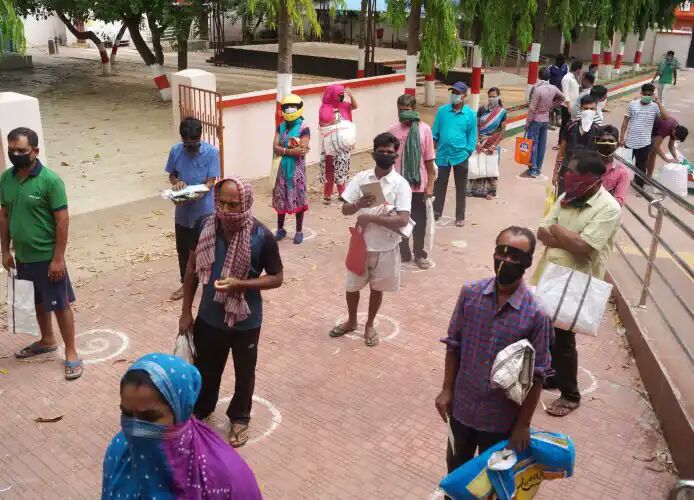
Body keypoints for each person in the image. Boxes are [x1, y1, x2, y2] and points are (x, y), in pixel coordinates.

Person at [435, 226, 553, 471]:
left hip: (501, 420)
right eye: (501, 252)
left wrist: (523, 425)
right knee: (456, 470)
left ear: (527, 262)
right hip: (462, 409)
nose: (505, 260)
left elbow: (538, 375)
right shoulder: (470, 294)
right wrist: (447, 390)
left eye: (515, 256)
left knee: (492, 479)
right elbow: (454, 345)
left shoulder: (537, 315)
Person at [179, 177, 283, 448]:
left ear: (245, 203)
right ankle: (202, 409)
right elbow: (191, 268)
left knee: (244, 373)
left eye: (233, 204)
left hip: (245, 321)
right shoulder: (205, 226)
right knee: (205, 370)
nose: (225, 210)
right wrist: (186, 312)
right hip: (209, 317)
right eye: (221, 202)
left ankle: (239, 417)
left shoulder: (261, 236)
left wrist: (241, 284)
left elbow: (277, 278)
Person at [102, 353, 262, 499]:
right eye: (127, 413)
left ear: (181, 412)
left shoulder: (226, 476)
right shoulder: (119, 450)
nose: (135, 428)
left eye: (149, 417)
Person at [535, 150, 621, 417]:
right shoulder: (568, 196)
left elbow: (583, 247)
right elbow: (541, 232)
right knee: (547, 328)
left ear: (591, 179)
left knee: (563, 336)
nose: (567, 177)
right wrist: (567, 237)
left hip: (576, 279)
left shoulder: (609, 208)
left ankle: (570, 395)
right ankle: (553, 375)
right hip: (550, 273)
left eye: (573, 173)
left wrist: (558, 230)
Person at [0, 127, 82, 380]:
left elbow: (62, 221)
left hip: (47, 257)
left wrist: (58, 258)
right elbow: (4, 215)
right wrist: (5, 250)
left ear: (35, 151)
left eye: (21, 150)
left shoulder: (50, 181)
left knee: (60, 304)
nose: (15, 155)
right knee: (37, 301)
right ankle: (47, 340)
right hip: (22, 256)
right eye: (11, 150)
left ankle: (71, 352)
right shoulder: (6, 179)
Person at [329, 132, 412, 347]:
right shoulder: (361, 178)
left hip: (386, 246)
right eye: (381, 151)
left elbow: (403, 219)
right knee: (352, 287)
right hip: (361, 244)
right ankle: (352, 321)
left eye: (389, 152)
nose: (385, 154)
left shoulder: (401, 184)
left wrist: (370, 218)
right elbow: (345, 209)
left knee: (377, 288)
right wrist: (358, 204)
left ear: (395, 155)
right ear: (374, 153)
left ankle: (370, 324)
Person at [165, 117, 220, 301]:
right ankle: (186, 284)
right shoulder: (175, 151)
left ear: (200, 137)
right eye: (187, 145)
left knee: (206, 249)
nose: (191, 149)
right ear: (182, 139)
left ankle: (210, 284)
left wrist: (200, 192)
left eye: (194, 145)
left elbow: (211, 182)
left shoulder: (211, 152)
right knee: (183, 250)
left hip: (204, 210)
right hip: (183, 212)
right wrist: (177, 182)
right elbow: (172, 174)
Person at [388, 94, 436, 269]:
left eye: (407, 110)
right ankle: (404, 252)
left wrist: (430, 185)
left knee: (419, 222)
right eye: (400, 110)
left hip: (418, 185)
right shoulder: (392, 131)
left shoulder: (425, 130)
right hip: (398, 186)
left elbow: (429, 160)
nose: (403, 113)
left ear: (414, 110)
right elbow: (388, 159)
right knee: (400, 221)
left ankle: (420, 254)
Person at [432, 82, 477, 226]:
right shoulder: (442, 111)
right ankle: (436, 212)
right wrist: (432, 151)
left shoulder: (470, 115)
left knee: (461, 187)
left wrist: (468, 151)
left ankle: (460, 216)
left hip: (460, 156)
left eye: (458, 93)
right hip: (442, 155)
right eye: (453, 92)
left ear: (464, 96)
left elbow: (472, 136)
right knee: (439, 185)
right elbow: (434, 133)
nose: (454, 95)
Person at [272, 93, 310, 244]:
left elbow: (302, 149)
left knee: (298, 198)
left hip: (296, 172)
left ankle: (299, 231)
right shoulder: (280, 126)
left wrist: (283, 149)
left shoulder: (304, 128)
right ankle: (280, 229)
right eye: (286, 108)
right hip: (280, 170)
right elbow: (275, 147)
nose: (289, 111)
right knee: (281, 198)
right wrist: (289, 150)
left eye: (292, 108)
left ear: (299, 108)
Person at [619, 84, 669, 188]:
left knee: (641, 168)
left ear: (653, 95)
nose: (646, 96)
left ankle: (639, 187)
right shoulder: (632, 104)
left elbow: (666, 117)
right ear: (641, 93)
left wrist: (658, 102)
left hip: (644, 143)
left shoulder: (655, 107)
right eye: (645, 94)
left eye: (649, 95)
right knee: (624, 166)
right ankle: (620, 186)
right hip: (630, 141)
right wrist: (621, 138)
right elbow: (625, 122)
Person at [522, 67, 567, 178]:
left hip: (535, 120)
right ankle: (538, 168)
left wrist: (527, 123)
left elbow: (532, 108)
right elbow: (562, 98)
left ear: (539, 76)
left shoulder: (537, 89)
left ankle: (532, 169)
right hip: (545, 119)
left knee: (533, 144)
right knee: (542, 144)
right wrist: (552, 106)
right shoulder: (553, 88)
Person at [319, 84, 358, 205]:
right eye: (339, 95)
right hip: (330, 145)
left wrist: (351, 95)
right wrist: (333, 123)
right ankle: (327, 194)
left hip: (343, 145)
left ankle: (342, 192)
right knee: (329, 169)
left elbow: (355, 106)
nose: (341, 97)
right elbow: (322, 125)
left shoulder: (344, 105)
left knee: (342, 168)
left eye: (342, 95)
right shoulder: (325, 108)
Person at [553, 94, 601, 194]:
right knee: (562, 198)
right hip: (567, 170)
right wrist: (555, 172)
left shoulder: (598, 130)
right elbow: (561, 151)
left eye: (592, 109)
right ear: (580, 109)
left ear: (596, 110)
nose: (588, 112)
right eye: (586, 109)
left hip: (586, 174)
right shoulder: (570, 127)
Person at [470, 87, 507, 199]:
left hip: (493, 142)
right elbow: (476, 126)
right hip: (480, 141)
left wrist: (494, 145)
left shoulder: (502, 112)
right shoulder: (482, 109)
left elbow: (503, 130)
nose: (492, 99)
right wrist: (477, 141)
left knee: (491, 167)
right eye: (490, 96)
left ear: (499, 96)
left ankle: (491, 191)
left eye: (494, 96)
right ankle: (475, 190)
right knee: (478, 164)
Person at [595, 125, 630, 207]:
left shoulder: (622, 172)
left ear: (617, 145)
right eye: (603, 141)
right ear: (596, 142)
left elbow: (619, 201)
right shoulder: (585, 164)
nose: (607, 144)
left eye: (611, 141)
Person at [557, 60, 582, 147]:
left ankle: (568, 141)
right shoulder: (566, 78)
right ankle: (561, 142)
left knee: (572, 125)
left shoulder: (575, 78)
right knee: (565, 124)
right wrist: (569, 107)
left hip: (575, 105)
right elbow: (566, 94)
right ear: (578, 69)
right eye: (581, 69)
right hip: (567, 106)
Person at [548, 55, 568, 128]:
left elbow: (567, 77)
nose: (563, 63)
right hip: (552, 90)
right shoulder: (551, 68)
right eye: (562, 61)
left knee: (559, 105)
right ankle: (550, 121)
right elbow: (547, 79)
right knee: (550, 105)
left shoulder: (565, 67)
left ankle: (558, 120)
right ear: (558, 61)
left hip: (560, 90)